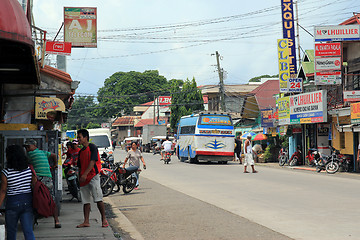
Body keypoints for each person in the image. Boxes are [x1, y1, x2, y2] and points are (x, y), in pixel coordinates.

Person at [0, 145, 36, 240]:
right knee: (28, 231)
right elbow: (34, 185)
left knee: (11, 232)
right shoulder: (29, 170)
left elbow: (3, 191)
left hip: (12, 203)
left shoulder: (6, 172)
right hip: (27, 202)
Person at [24, 139, 61, 228]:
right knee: (51, 199)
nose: (27, 149)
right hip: (48, 178)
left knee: (34, 198)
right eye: (26, 147)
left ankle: (33, 219)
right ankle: (57, 221)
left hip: (38, 179)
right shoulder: (43, 152)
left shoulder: (30, 154)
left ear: (34, 146)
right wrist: (55, 165)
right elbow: (54, 155)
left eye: (28, 146)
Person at [76, 129, 108, 228]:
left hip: (93, 176)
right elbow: (80, 166)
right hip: (83, 178)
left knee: (98, 198)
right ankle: (86, 221)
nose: (78, 139)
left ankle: (104, 219)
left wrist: (85, 174)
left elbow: (92, 162)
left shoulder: (92, 147)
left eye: (79, 137)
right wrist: (80, 176)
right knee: (85, 201)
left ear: (85, 138)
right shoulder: (81, 152)